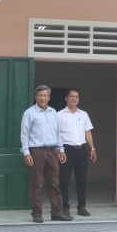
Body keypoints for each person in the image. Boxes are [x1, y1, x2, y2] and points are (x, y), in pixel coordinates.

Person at [21, 85, 72, 223]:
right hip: (36, 152)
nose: (42, 98)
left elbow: (57, 133)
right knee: (37, 183)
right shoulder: (29, 113)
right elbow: (24, 135)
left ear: (49, 97)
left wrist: (61, 150)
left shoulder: (53, 112)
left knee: (54, 183)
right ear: (35, 97)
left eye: (45, 95)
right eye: (40, 95)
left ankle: (57, 212)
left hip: (52, 152)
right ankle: (36, 213)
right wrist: (26, 153)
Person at [57, 88, 97, 217]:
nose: (74, 98)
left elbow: (87, 132)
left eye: (76, 96)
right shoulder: (59, 115)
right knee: (64, 180)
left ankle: (82, 206)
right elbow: (56, 134)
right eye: (71, 96)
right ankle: (65, 207)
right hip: (66, 150)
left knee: (82, 180)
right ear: (66, 98)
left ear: (79, 99)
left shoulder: (83, 114)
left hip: (81, 150)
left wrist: (92, 148)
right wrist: (60, 150)